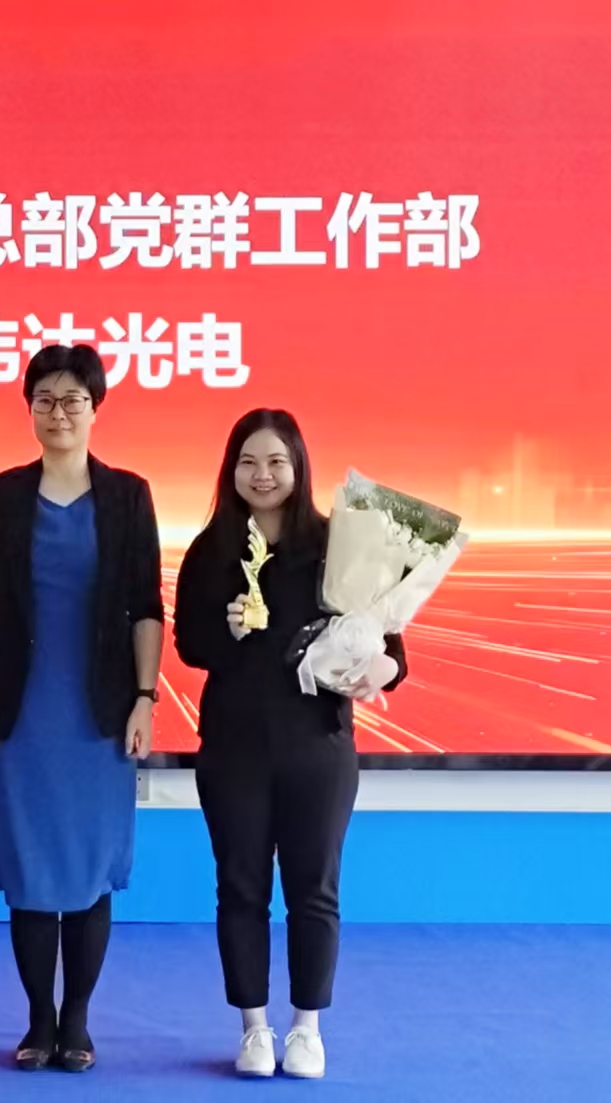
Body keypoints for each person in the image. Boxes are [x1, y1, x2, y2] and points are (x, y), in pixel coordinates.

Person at [173, 409, 407, 1080]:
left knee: (314, 889)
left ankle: (307, 1028)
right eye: (248, 462)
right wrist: (229, 631)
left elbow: (392, 647)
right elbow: (189, 644)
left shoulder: (338, 546)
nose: (262, 474)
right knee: (240, 888)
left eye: (276, 461)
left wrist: (379, 669)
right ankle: (253, 1027)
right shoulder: (209, 550)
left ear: (299, 467)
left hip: (317, 743)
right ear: (231, 470)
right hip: (233, 746)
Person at [0, 344, 164, 1073]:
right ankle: (37, 1019)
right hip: (21, 713)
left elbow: (147, 606)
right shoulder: (3, 496)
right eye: (43, 399)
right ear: (29, 410)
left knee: (87, 868)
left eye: (73, 399)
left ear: (95, 408)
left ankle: (76, 1019)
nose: (58, 413)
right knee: (29, 868)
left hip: (98, 715)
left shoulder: (128, 496)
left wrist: (145, 697)